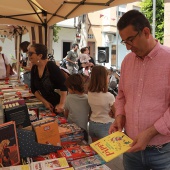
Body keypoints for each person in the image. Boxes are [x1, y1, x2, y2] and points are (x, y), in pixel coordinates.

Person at [109, 10, 170, 170]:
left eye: (130, 40)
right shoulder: (127, 62)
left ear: (146, 32)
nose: (128, 47)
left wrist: (150, 133)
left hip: (163, 152)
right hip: (130, 147)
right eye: (124, 42)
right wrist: (119, 117)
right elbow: (121, 96)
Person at [29, 43, 67, 113]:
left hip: (57, 106)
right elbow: (33, 89)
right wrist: (45, 102)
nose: (29, 56)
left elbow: (64, 86)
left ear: (40, 55)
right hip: (46, 105)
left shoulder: (51, 66)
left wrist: (61, 104)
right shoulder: (34, 68)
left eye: (31, 53)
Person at [88, 65, 115, 142]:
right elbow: (117, 114)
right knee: (107, 152)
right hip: (105, 125)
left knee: (96, 150)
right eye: (108, 76)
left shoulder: (89, 93)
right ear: (103, 78)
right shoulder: (109, 96)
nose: (109, 78)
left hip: (92, 124)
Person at [64, 74, 91, 142]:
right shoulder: (87, 98)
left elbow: (66, 113)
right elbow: (90, 113)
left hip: (72, 129)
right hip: (84, 128)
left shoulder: (69, 98)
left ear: (72, 88)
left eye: (68, 88)